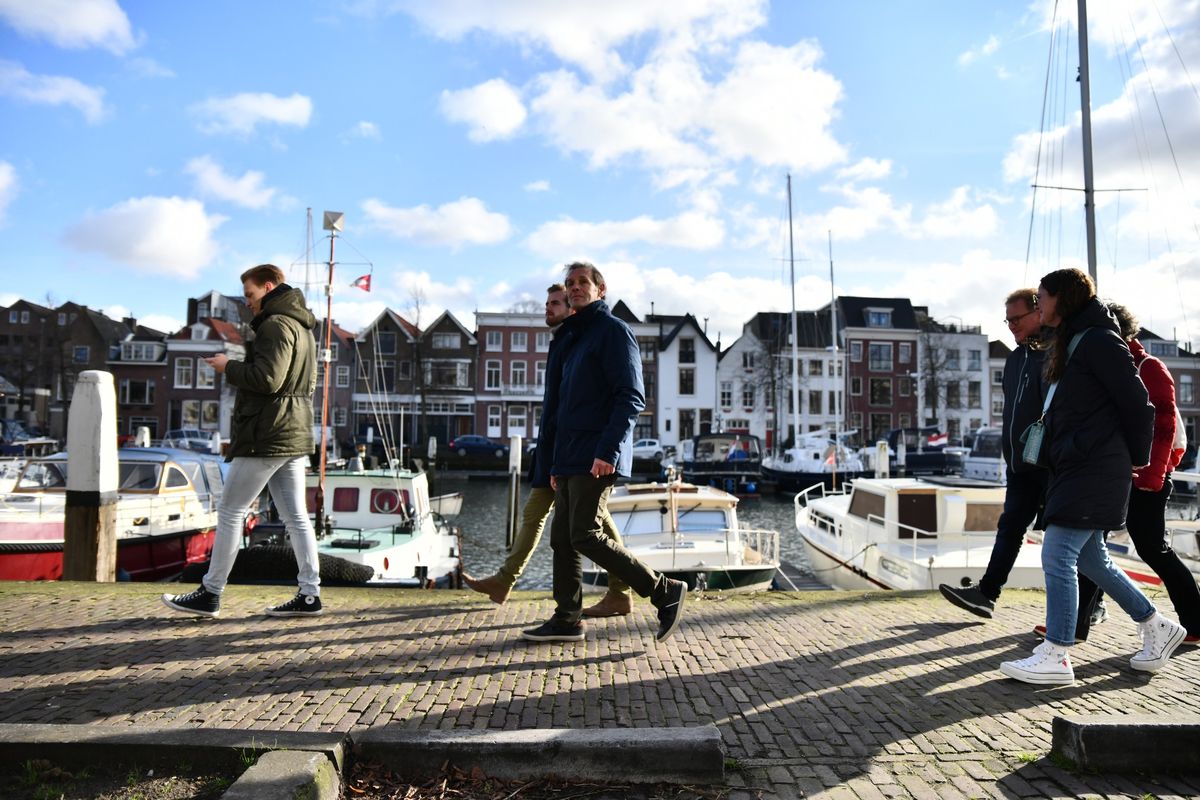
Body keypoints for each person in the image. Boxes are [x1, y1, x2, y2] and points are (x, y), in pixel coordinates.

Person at [998, 267, 1186, 684]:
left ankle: (1057, 653)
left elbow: (1140, 405)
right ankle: (1158, 626)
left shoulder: (1100, 340)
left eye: (1042, 297)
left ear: (1061, 299)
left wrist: (1134, 461)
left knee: (1057, 555)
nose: (1038, 304)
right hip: (1077, 464)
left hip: (1095, 467)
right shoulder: (1075, 341)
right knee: (1091, 558)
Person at [521, 262, 687, 643]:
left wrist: (608, 450)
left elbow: (630, 396)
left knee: (585, 534)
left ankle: (664, 591)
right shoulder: (571, 337)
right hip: (567, 458)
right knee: (561, 539)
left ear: (600, 289)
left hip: (595, 454)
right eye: (570, 283)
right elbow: (559, 407)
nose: (575, 288)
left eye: (583, 282)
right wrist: (552, 463)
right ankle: (567, 618)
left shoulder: (613, 331)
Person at [939, 289, 1102, 641]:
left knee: (1074, 543)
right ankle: (986, 595)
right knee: (1011, 526)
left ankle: (1088, 610)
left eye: (1017, 319)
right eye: (1008, 320)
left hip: (1051, 464)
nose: (1011, 325)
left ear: (1038, 312)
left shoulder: (1061, 351)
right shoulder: (1014, 359)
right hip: (1019, 464)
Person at [161, 264, 323, 618]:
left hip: (267, 433)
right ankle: (310, 595)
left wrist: (227, 366)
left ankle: (210, 592)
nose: (248, 303)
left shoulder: (276, 324)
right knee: (297, 517)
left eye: (250, 295)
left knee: (231, 511)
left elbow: (268, 380)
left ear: (268, 287)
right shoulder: (304, 328)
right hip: (293, 431)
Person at [463, 284, 633, 616]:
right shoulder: (561, 343)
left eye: (555, 303)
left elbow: (606, 398)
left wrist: (574, 449)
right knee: (550, 517)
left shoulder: (579, 341)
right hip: (555, 448)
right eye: (547, 303)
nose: (547, 308)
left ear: (572, 308)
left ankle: (625, 590)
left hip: (570, 449)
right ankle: (614, 591)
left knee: (582, 524)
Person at [1099, 302, 1199, 644]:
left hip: (1146, 478)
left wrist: (1152, 477)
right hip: (1117, 474)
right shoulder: (1113, 367)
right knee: (1091, 543)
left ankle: (1196, 621)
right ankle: (1078, 621)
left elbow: (1165, 425)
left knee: (1152, 548)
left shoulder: (1148, 366)